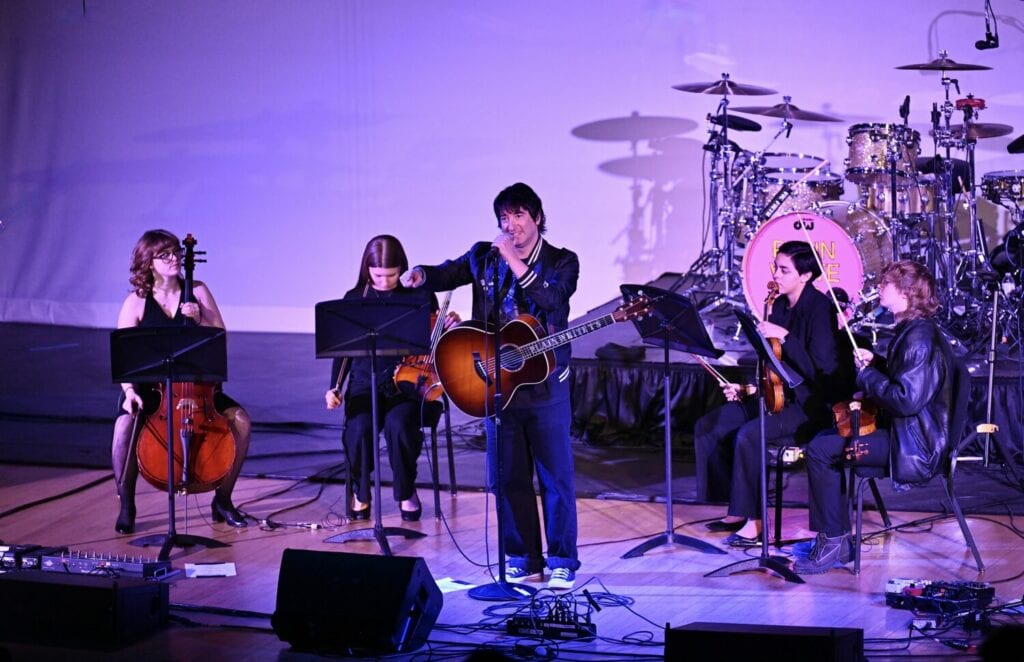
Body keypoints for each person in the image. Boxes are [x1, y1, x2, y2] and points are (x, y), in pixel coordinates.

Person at [400, 182, 581, 590]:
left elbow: (553, 302)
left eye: (518, 216)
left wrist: (514, 260)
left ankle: (562, 559)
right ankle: (522, 556)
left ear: (536, 217)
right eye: (504, 218)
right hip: (496, 380)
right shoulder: (483, 256)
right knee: (507, 476)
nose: (511, 226)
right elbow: (447, 272)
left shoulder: (562, 261)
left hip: (545, 383)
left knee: (555, 477)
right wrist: (421, 275)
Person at [694, 240, 855, 546]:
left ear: (805, 276)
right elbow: (774, 364)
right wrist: (749, 388)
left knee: (750, 435)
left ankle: (755, 523)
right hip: (779, 396)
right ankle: (736, 508)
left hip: (811, 403)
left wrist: (786, 337)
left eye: (784, 270)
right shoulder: (779, 305)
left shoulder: (820, 310)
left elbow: (820, 371)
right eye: (776, 268)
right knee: (711, 426)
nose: (776, 275)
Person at [796, 260, 952, 574]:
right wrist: (877, 363)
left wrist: (868, 376)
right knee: (824, 440)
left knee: (821, 450)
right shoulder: (911, 330)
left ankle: (833, 542)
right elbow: (904, 380)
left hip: (913, 445)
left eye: (886, 284)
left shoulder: (919, 338)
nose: (879, 288)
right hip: (903, 432)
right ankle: (836, 538)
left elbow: (905, 401)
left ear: (906, 293)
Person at [111, 229, 251, 533]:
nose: (174, 258)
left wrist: (200, 318)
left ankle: (223, 500)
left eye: (176, 252)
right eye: (164, 255)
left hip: (200, 388)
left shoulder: (197, 290)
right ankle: (126, 504)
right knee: (124, 425)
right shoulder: (136, 302)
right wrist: (129, 392)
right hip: (152, 391)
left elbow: (221, 338)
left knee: (241, 421)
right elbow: (125, 357)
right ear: (148, 262)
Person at [324, 235, 456, 522]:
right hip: (365, 383)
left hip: (408, 384)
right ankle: (361, 490)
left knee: (400, 425)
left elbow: (436, 345)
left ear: (402, 269)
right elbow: (343, 352)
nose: (384, 282)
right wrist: (334, 387)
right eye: (378, 276)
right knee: (358, 428)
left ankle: (406, 491)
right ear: (367, 270)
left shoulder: (420, 295)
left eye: (392, 275)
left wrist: (446, 328)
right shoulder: (354, 299)